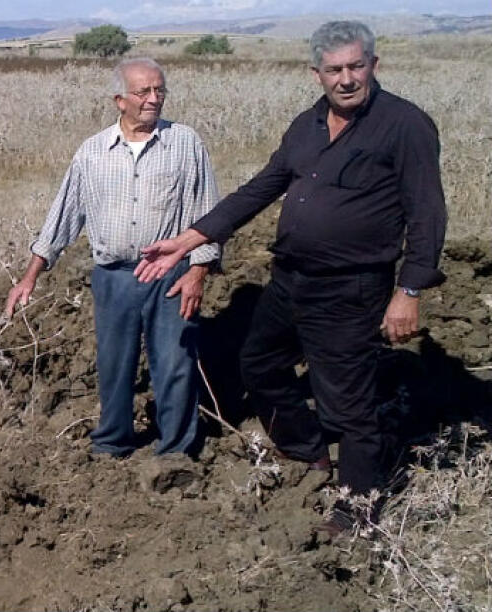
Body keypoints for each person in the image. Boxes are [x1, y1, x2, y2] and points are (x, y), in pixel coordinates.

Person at [134, 21, 446, 532]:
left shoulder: (404, 125)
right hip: (289, 280)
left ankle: (357, 511)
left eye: (355, 66)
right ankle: (310, 451)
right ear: (316, 74)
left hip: (350, 287)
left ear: (374, 65)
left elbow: (427, 214)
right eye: (334, 70)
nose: (346, 79)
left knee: (348, 402)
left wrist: (408, 291)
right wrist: (189, 239)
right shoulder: (307, 124)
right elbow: (260, 189)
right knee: (259, 363)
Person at [3, 58, 221, 458]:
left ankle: (175, 454)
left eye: (160, 91)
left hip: (170, 274)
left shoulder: (186, 143)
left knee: (175, 365)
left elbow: (206, 212)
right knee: (114, 366)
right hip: (113, 277)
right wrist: (29, 277)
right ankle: (111, 444)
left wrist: (198, 272)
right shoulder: (92, 153)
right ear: (120, 100)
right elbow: (63, 216)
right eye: (144, 92)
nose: (154, 99)